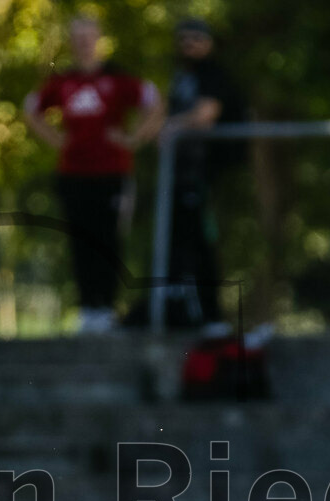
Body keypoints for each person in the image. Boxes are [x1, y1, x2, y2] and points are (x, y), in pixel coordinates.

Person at [24, 16, 162, 334]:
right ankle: (88, 309)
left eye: (89, 36)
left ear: (99, 39)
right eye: (78, 37)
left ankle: (107, 308)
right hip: (73, 174)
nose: (84, 42)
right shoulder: (63, 82)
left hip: (113, 173)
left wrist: (135, 137)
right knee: (80, 239)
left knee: (110, 237)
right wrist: (56, 139)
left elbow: (154, 103)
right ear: (72, 42)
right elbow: (31, 110)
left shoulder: (118, 79)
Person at [163, 16, 244, 329]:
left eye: (196, 39)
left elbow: (207, 115)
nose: (189, 45)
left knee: (203, 246)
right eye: (184, 39)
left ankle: (213, 317)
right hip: (182, 176)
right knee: (181, 246)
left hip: (209, 176)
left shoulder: (214, 73)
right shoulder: (181, 76)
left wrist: (169, 127)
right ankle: (183, 315)